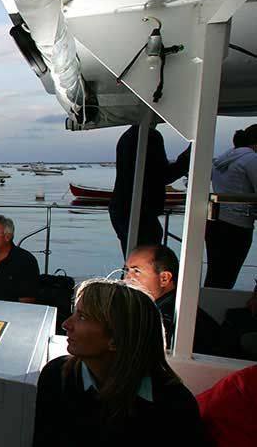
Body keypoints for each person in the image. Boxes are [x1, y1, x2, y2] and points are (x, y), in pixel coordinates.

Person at [33, 279, 206, 447]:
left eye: (83, 317)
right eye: (74, 313)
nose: (66, 324)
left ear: (116, 339)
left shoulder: (175, 407)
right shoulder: (57, 375)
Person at [109, 124, 191, 256]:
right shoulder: (148, 135)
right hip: (139, 209)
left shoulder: (128, 136)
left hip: (122, 207)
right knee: (147, 259)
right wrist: (188, 158)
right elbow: (163, 175)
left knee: (134, 259)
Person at [123, 245, 220, 354]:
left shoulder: (164, 318)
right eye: (126, 270)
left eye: (136, 271)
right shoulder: (174, 306)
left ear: (164, 278)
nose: (127, 279)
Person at [205, 124, 257, 288]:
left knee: (215, 274)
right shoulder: (252, 160)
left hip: (216, 222)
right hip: (238, 224)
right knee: (227, 276)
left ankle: (205, 307)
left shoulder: (223, 158)